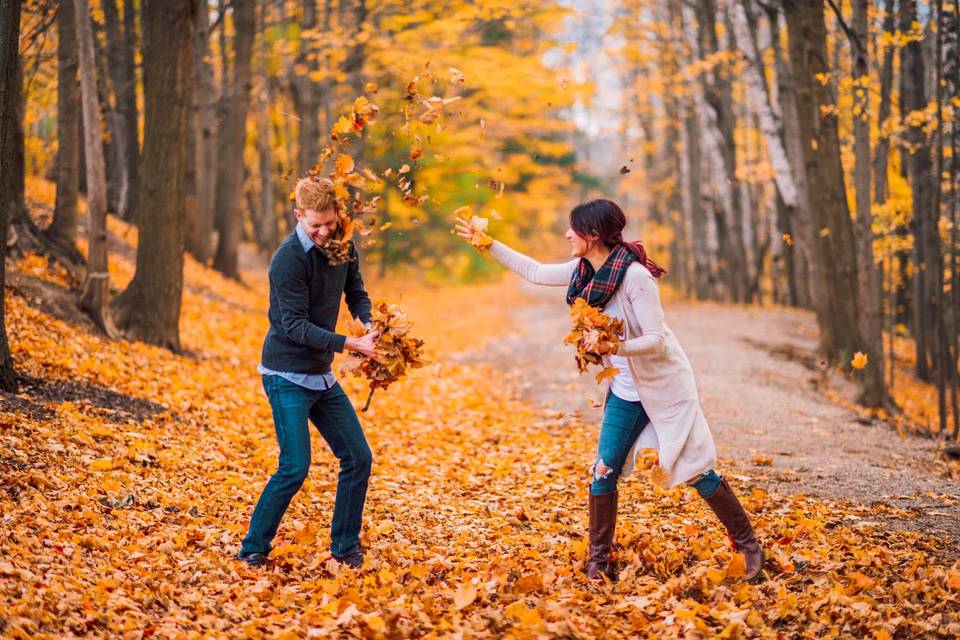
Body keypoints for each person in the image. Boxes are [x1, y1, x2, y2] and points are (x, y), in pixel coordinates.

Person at [455, 199, 763, 582]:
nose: (567, 235)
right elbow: (534, 271)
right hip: (625, 393)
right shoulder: (584, 270)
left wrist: (615, 348)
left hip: (666, 389)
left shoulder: (635, 278)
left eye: (573, 229)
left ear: (594, 235)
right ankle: (598, 561)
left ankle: (747, 543)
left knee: (696, 469)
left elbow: (656, 340)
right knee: (603, 471)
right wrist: (487, 243)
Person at [237, 176, 380, 569]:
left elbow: (357, 293)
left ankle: (345, 548)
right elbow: (294, 326)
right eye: (313, 224)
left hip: (319, 375)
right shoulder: (288, 258)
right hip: (285, 374)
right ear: (299, 215)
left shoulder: (342, 247)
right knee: (295, 465)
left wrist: (368, 324)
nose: (321, 232)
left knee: (358, 457)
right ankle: (253, 547)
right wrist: (350, 345)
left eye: (328, 223)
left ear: (337, 215)